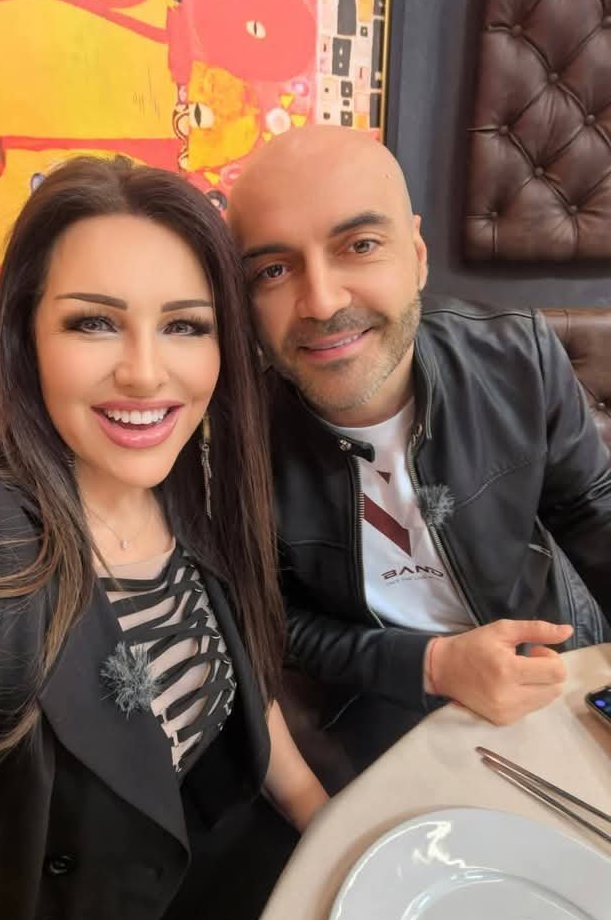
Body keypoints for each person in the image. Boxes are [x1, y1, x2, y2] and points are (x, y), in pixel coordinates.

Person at [0, 156, 328, 920]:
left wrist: (325, 822)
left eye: (184, 325)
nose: (146, 374)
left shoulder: (193, 476)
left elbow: (251, 681)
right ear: (26, 335)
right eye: (94, 322)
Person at [227, 126, 611, 773]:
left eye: (360, 245)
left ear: (418, 255)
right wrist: (432, 664)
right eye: (273, 269)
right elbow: (268, 621)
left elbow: (590, 508)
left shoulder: (519, 354)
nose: (321, 301)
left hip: (553, 664)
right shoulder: (233, 439)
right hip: (379, 701)